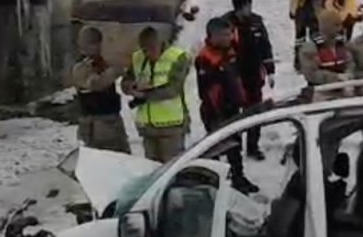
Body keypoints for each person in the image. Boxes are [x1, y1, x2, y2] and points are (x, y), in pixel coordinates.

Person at [196, 18, 260, 194]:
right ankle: (214, 182)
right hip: (215, 111)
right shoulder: (205, 58)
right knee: (216, 147)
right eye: (225, 34)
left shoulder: (229, 51)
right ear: (213, 36)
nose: (229, 37)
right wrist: (217, 112)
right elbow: (207, 90)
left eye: (230, 33)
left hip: (232, 107)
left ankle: (238, 178)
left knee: (235, 146)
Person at [121, 27, 190, 162]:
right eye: (145, 49)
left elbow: (173, 89)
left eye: (152, 48)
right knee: (152, 170)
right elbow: (125, 81)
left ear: (160, 43)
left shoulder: (177, 57)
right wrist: (131, 87)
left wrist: (145, 96)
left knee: (171, 169)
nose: (148, 53)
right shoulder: (138, 58)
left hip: (172, 126)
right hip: (148, 127)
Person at [223, 0, 275, 159]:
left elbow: (265, 46)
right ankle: (233, 148)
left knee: (255, 112)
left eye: (250, 6)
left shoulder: (257, 22)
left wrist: (270, 71)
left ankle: (253, 146)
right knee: (233, 114)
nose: (249, 10)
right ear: (238, 8)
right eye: (246, 7)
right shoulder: (227, 24)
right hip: (233, 77)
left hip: (253, 75)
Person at [72, 27, 131, 153]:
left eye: (97, 42)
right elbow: (96, 84)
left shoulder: (99, 62)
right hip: (97, 123)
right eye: (93, 43)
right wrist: (115, 71)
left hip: (108, 121)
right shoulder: (81, 66)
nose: (97, 47)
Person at [299, 9, 354, 90]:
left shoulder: (342, 43)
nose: (340, 29)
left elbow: (350, 62)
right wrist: (335, 78)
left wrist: (349, 73)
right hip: (321, 90)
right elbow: (311, 74)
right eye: (336, 25)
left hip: (343, 88)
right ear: (327, 26)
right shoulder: (311, 47)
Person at [287, 0, 323, 69]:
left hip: (313, 8)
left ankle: (320, 59)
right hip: (300, 8)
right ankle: (298, 61)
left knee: (316, 35)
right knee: (300, 37)